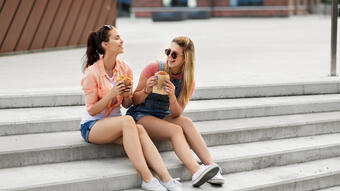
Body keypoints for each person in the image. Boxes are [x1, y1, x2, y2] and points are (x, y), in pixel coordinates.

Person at [80, 25, 182, 191]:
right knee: (128, 120)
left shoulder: (124, 68)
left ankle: (166, 178)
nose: (122, 41)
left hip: (116, 124)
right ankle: (148, 179)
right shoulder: (92, 73)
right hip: (92, 126)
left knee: (140, 129)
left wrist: (127, 95)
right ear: (105, 44)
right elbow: (91, 110)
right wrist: (112, 93)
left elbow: (127, 104)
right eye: (117, 38)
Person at [127, 36, 225, 187]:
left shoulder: (188, 80)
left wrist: (172, 97)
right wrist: (146, 89)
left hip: (162, 115)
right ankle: (196, 170)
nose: (169, 57)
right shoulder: (154, 68)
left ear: (186, 58)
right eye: (168, 52)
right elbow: (134, 100)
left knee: (186, 122)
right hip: (141, 114)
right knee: (176, 130)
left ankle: (211, 167)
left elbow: (177, 113)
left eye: (174, 54)